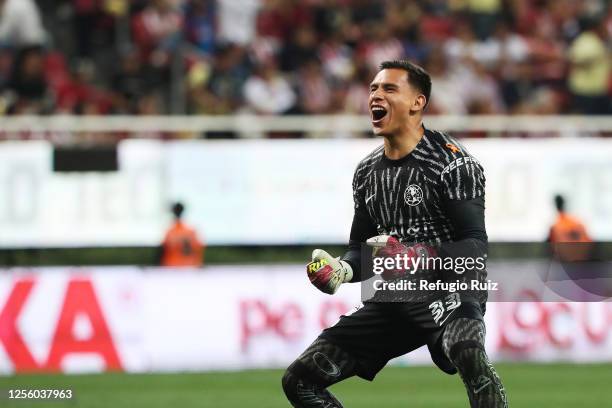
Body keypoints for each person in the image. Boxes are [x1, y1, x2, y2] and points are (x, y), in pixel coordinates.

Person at [282, 60, 508, 407]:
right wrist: (342, 270)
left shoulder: (454, 164)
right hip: (394, 298)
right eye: (373, 89)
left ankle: (462, 360)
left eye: (388, 89)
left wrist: (417, 255)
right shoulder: (367, 173)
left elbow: (474, 247)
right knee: (298, 381)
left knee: (467, 351)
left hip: (449, 290)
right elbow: (361, 251)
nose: (376, 95)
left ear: (418, 102)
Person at [159, 202, 204, 267]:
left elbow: (163, 250)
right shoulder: (191, 231)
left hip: (172, 267)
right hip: (190, 266)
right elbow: (198, 250)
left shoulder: (170, 232)